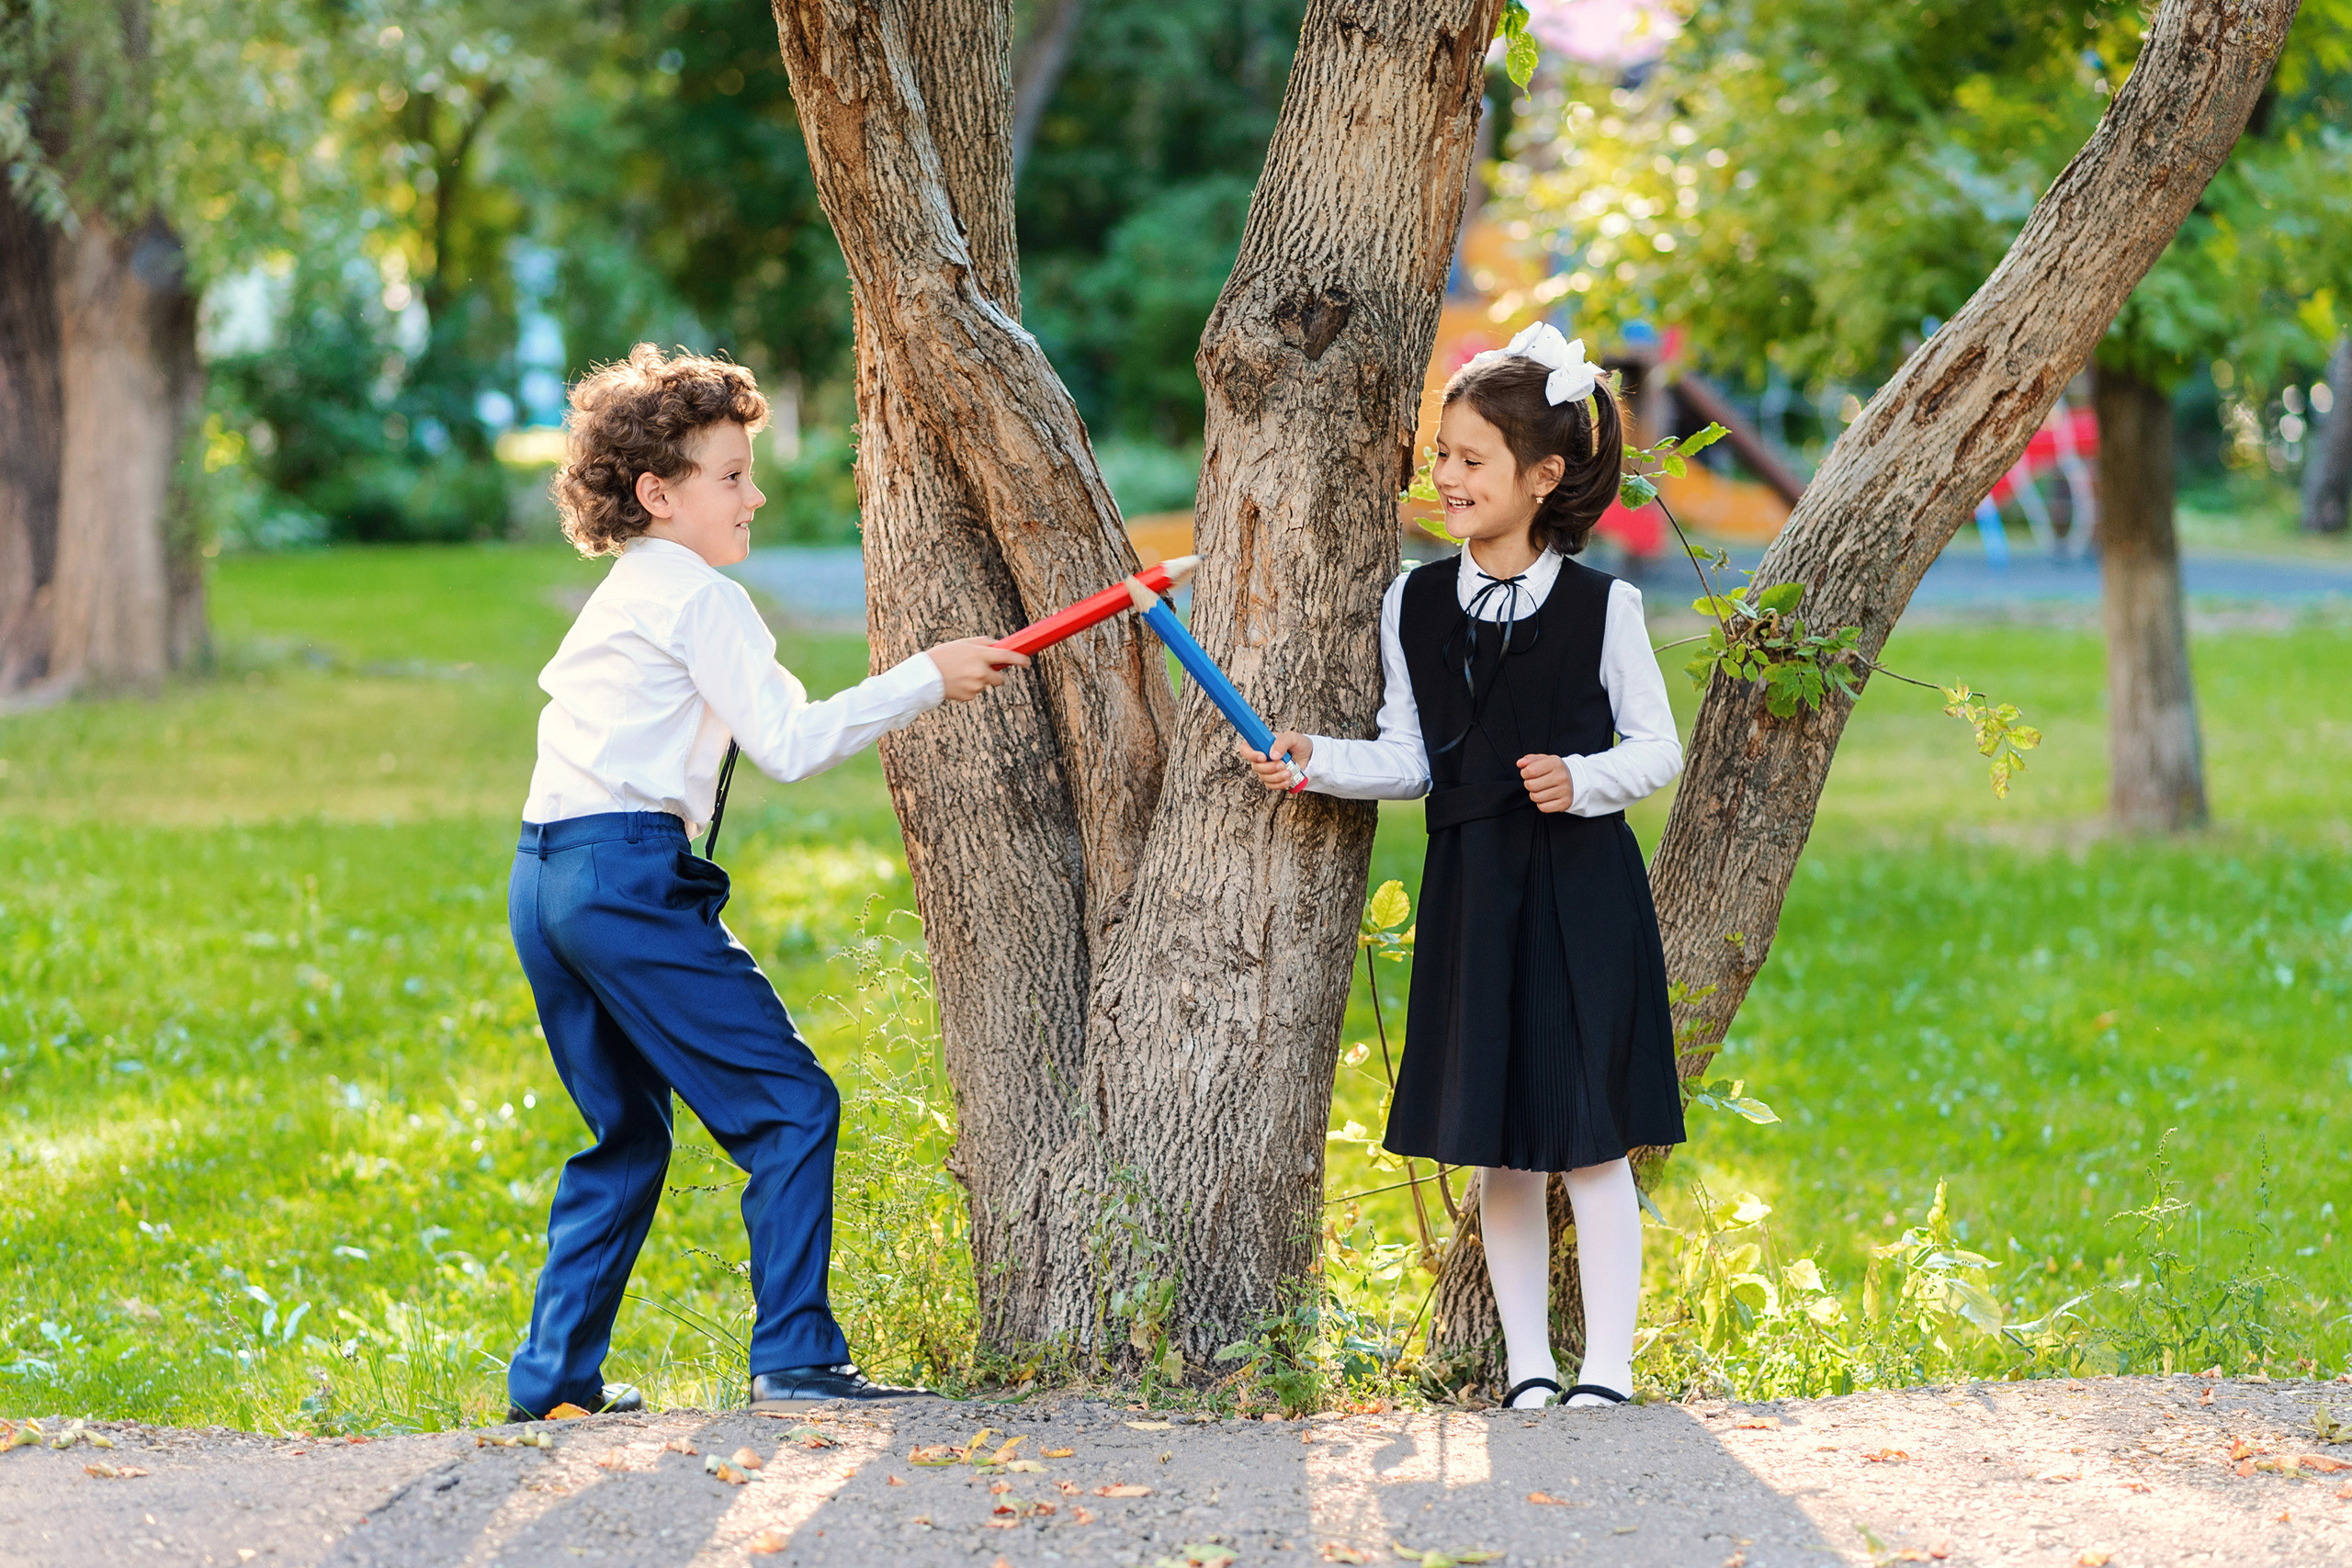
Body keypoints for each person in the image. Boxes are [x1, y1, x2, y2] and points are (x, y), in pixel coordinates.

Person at [504, 344, 1026, 1420]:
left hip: (543, 876)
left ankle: (553, 1383)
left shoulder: (623, 592)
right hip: (622, 878)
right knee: (791, 1107)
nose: (754, 495)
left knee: (626, 1134)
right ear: (658, 493)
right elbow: (787, 742)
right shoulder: (698, 599)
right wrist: (928, 676)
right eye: (731, 476)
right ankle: (795, 1360)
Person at [1242, 323, 1686, 1410]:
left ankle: (1608, 1372)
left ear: (1543, 477)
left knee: (1589, 1145)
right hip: (1475, 891)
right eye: (1439, 455)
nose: (1445, 477)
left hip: (1580, 898)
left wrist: (1583, 782)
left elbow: (1658, 749)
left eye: (1471, 460)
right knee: (1500, 1146)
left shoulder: (1603, 607)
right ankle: (1529, 1367)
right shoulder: (1413, 600)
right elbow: (1406, 754)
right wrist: (1317, 762)